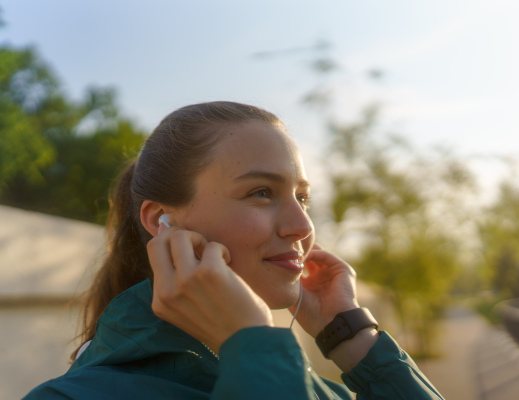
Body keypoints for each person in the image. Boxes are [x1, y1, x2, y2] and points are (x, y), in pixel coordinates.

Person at [24, 102, 444, 399]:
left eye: (302, 197)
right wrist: (251, 342)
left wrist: (349, 335)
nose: (302, 226)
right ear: (162, 221)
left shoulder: (304, 381)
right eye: (261, 192)